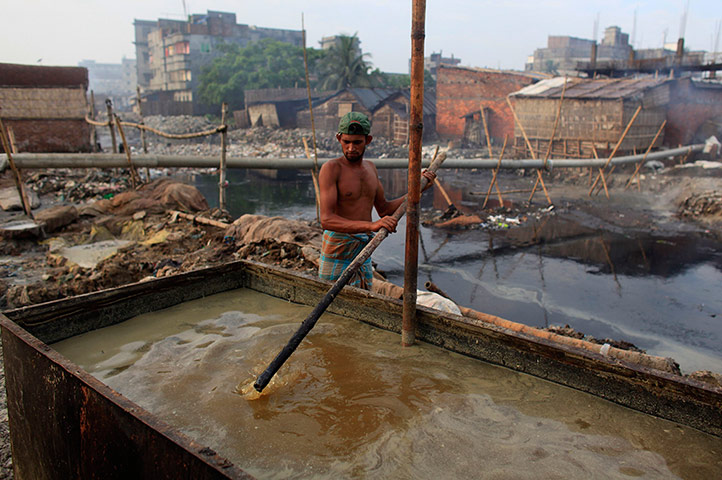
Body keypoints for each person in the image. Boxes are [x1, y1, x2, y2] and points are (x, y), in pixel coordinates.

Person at [318, 111, 435, 289]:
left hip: (363, 249)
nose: (351, 148)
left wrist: (418, 189)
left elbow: (385, 210)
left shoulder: (370, 168)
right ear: (338, 138)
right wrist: (371, 226)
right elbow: (326, 220)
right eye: (346, 142)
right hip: (338, 249)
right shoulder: (331, 169)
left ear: (368, 140)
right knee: (330, 303)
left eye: (357, 142)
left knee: (364, 301)